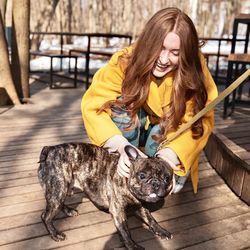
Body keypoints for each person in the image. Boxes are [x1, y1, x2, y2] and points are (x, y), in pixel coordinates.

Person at [81, 7, 218, 194]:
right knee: (119, 104)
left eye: (175, 52)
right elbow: (94, 105)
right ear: (147, 42)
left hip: (169, 128)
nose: (163, 59)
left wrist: (171, 155)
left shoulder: (195, 69)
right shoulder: (124, 61)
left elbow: (200, 119)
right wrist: (121, 147)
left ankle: (170, 165)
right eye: (159, 48)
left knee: (170, 132)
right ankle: (126, 163)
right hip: (135, 125)